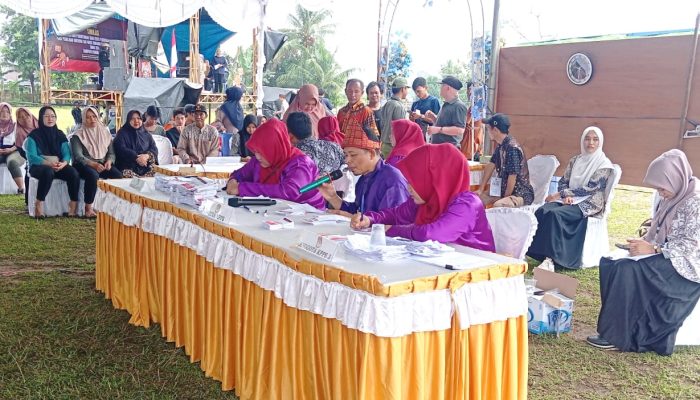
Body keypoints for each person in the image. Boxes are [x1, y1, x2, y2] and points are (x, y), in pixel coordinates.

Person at [586, 149, 700, 356]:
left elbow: (690, 246)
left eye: (662, 187)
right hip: (667, 255)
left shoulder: (695, 201)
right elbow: (657, 229)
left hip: (686, 268)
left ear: (675, 178)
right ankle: (618, 327)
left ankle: (619, 336)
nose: (660, 192)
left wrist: (654, 249)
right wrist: (642, 243)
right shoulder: (675, 194)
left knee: (628, 270)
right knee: (610, 263)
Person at [351, 144, 495, 250]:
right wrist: (370, 219)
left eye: (414, 181)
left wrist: (390, 230)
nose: (409, 188)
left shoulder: (468, 204)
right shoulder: (428, 199)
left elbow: (432, 234)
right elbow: (396, 215)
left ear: (433, 179)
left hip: (475, 274)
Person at [527, 127, 614, 269]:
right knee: (542, 211)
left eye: (595, 139)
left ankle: (553, 258)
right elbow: (563, 181)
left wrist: (563, 194)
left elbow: (591, 187)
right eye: (587, 138)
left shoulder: (603, 164)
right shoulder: (576, 160)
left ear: (600, 142)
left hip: (589, 202)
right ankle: (539, 253)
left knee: (556, 215)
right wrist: (565, 194)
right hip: (569, 198)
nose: (590, 142)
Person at [318, 115, 408, 215]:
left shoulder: (392, 180)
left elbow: (393, 223)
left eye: (353, 155)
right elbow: (357, 211)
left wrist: (358, 220)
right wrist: (332, 197)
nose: (347, 160)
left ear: (371, 154)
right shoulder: (363, 178)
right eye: (346, 155)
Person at [226, 118, 325, 209]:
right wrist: (233, 180)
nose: (257, 156)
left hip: (307, 217)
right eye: (255, 151)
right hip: (270, 214)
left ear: (275, 149)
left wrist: (242, 188)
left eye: (262, 152)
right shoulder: (258, 161)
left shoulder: (300, 163)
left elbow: (290, 192)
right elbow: (239, 174)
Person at [25, 106, 80, 218]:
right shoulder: (34, 135)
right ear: (41, 118)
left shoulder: (60, 134)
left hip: (57, 165)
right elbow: (31, 157)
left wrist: (64, 163)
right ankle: (38, 204)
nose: (50, 119)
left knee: (73, 173)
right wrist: (49, 163)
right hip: (38, 166)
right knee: (48, 172)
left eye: (53, 116)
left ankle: (73, 204)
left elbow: (66, 153)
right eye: (47, 116)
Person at [70, 107, 123, 218]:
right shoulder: (78, 135)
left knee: (118, 175)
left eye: (94, 116)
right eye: (88, 117)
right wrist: (93, 164)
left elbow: (111, 153)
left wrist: (109, 161)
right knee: (93, 175)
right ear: (84, 119)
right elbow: (78, 156)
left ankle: (112, 207)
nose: (92, 119)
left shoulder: (105, 132)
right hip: (84, 164)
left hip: (102, 163)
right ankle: (88, 208)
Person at [478, 113, 534, 208]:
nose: (487, 131)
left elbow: (512, 177)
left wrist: (504, 197)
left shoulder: (512, 148)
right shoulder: (500, 145)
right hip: (501, 190)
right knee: (477, 201)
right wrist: (481, 189)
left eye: (488, 129)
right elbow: (491, 165)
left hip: (519, 194)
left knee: (499, 205)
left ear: (495, 130)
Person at [424, 75, 467, 148]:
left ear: (448, 88)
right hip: (441, 149)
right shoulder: (446, 104)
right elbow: (446, 123)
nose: (440, 89)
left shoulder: (459, 106)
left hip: (448, 150)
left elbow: (460, 130)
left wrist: (438, 130)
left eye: (442, 86)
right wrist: (434, 117)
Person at [113, 110, 158, 178]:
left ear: (142, 120)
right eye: (132, 119)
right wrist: (136, 157)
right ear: (128, 120)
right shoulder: (122, 133)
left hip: (146, 166)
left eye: (138, 118)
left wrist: (146, 156)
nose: (136, 121)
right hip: (128, 166)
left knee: (157, 174)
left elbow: (154, 148)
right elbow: (120, 149)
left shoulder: (146, 134)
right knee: (129, 177)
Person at [379, 77, 409, 157]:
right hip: (393, 146)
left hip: (384, 144)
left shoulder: (387, 104)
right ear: (403, 89)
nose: (407, 91)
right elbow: (400, 129)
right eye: (407, 89)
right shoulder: (399, 106)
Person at [0, 103, 26, 194]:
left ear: (10, 113)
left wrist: (11, 149)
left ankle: (21, 188)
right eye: (2, 111)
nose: (4, 114)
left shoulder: (16, 126)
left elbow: (22, 141)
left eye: (7, 112)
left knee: (12, 162)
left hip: (15, 150)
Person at [459, 82, 484, 161]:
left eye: (473, 90)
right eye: (469, 89)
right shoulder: (474, 106)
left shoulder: (477, 106)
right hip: (471, 148)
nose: (470, 92)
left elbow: (465, 122)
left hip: (472, 149)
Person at [218, 86, 244, 156]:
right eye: (240, 95)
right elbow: (218, 120)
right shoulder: (224, 107)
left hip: (238, 137)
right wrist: (222, 127)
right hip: (227, 137)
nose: (241, 97)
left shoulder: (239, 107)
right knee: (227, 157)